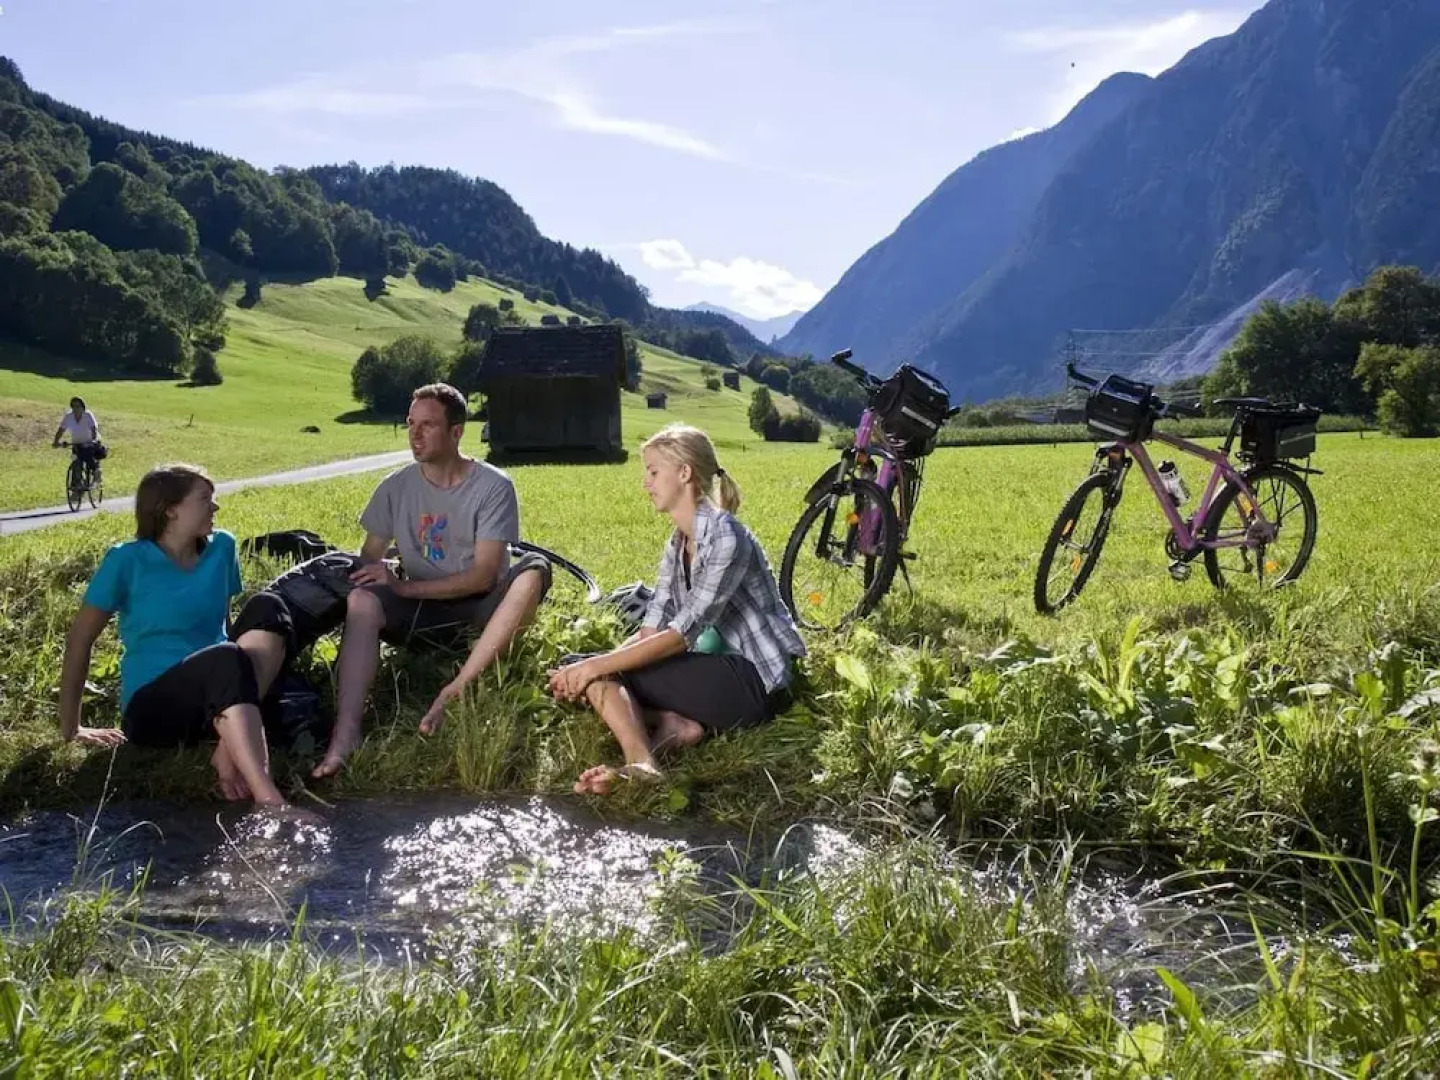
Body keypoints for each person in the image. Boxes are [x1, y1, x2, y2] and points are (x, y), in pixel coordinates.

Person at [548, 424, 806, 795]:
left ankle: (642, 763)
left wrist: (595, 666)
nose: (646, 483)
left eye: (653, 472)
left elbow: (682, 635)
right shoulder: (677, 543)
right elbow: (652, 629)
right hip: (710, 671)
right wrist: (590, 662)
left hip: (752, 683)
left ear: (684, 473)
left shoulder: (726, 537)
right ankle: (674, 728)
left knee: (599, 672)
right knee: (585, 664)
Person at [313, 382, 552, 778]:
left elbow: (482, 576)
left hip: (479, 610)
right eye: (410, 423)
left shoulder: (493, 487)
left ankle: (456, 689)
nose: (415, 433)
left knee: (534, 571)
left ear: (456, 432)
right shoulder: (395, 487)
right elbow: (369, 559)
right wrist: (383, 567)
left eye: (428, 425)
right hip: (419, 612)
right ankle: (346, 732)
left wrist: (403, 586)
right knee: (362, 600)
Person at [57, 464, 293, 806]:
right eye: (205, 499)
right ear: (170, 510)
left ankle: (226, 748)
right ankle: (269, 801)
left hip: (217, 692)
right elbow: (79, 640)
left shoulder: (222, 547)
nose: (215, 507)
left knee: (269, 606)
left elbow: (224, 626)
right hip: (154, 709)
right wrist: (72, 728)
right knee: (225, 656)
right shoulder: (126, 560)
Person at [52, 396, 104, 480]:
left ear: (82, 406)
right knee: (76, 462)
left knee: (89, 458)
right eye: (73, 406)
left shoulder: (88, 415)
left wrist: (93, 440)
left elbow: (94, 428)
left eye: (78, 406)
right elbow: (61, 430)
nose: (76, 408)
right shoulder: (69, 417)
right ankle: (76, 485)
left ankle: (96, 473)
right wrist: (56, 441)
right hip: (76, 444)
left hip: (89, 442)